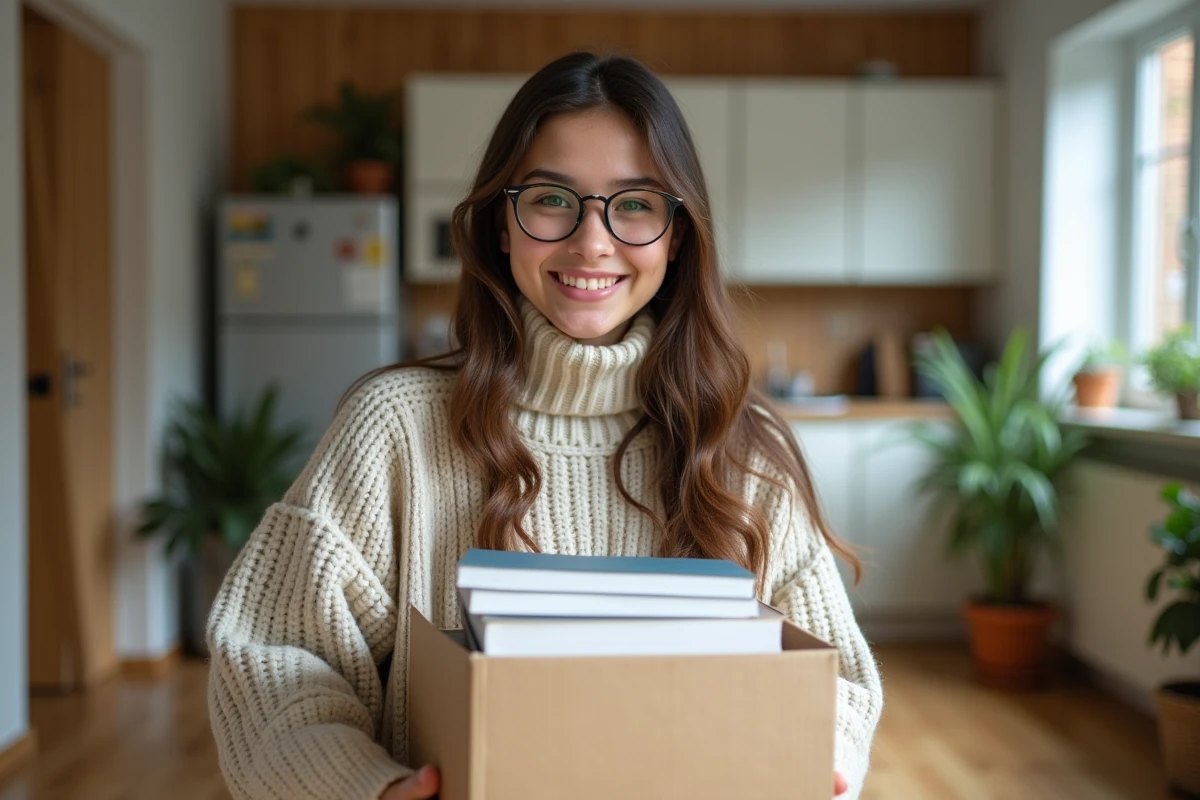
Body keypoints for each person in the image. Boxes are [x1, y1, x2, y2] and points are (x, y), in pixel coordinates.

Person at [207, 50, 883, 800]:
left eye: (634, 204)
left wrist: (822, 761)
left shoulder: (738, 439)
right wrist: (372, 789)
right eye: (553, 198)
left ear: (677, 235)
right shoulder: (393, 429)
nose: (592, 242)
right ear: (502, 221)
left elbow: (842, 682)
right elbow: (275, 661)